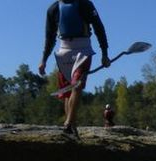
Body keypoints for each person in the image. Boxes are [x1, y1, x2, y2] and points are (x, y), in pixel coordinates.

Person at [39, 0, 111, 138]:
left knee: (77, 85)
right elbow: (49, 36)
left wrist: (105, 54)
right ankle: (72, 128)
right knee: (66, 93)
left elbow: (99, 28)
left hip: (83, 49)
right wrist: (44, 60)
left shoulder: (85, 5)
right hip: (64, 50)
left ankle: (67, 124)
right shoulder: (53, 9)